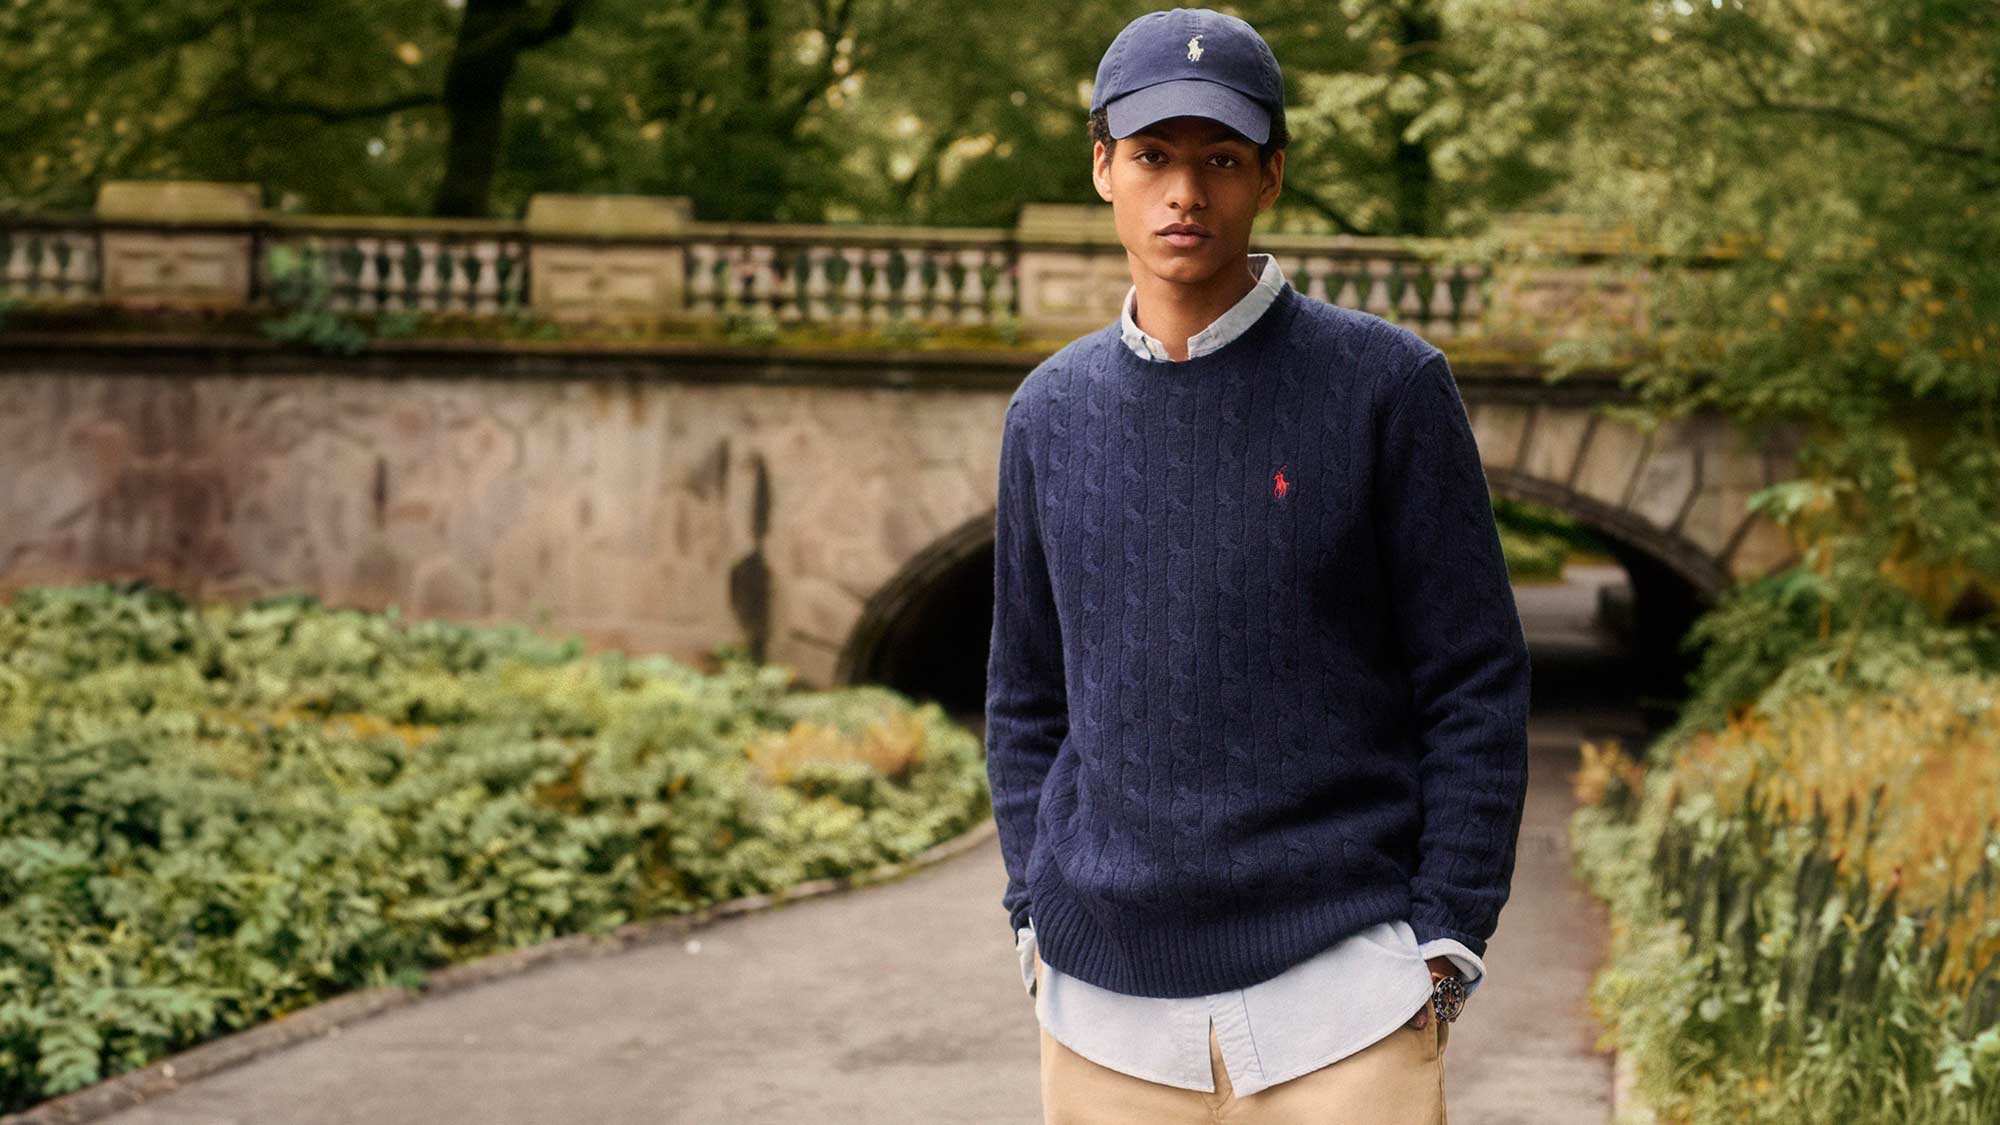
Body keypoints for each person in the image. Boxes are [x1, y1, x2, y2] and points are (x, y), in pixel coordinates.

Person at [982, 8, 1533, 1122]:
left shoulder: (1385, 388)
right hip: (1103, 1021)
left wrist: (1443, 938)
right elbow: (1025, 695)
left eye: (1220, 159)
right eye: (1151, 158)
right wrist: (1034, 913)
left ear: (1269, 175)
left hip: (1345, 1010)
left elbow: (1472, 681)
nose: (1184, 194)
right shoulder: (1048, 413)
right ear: (1101, 167)